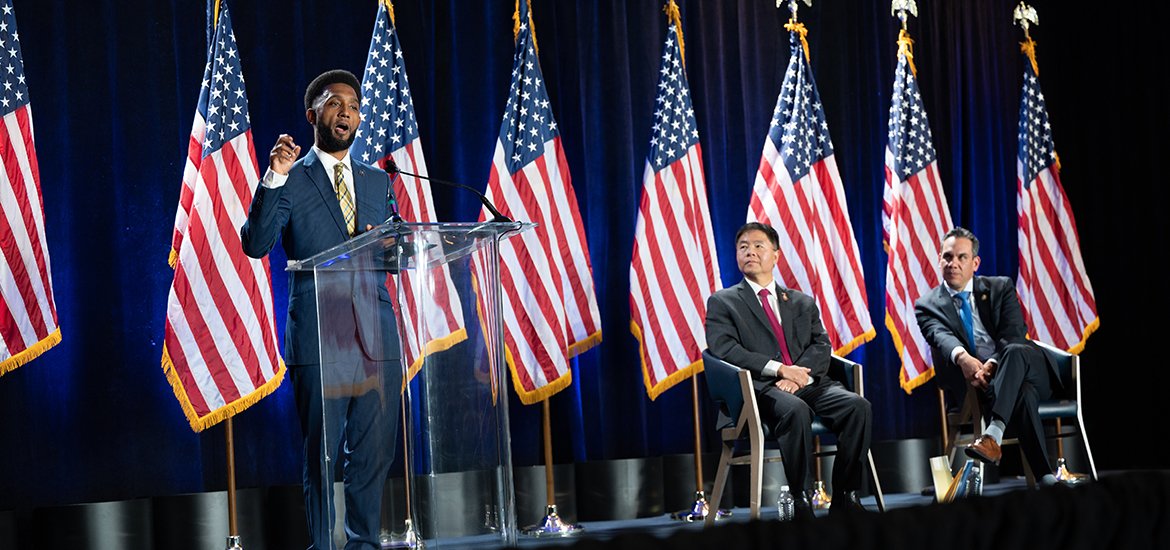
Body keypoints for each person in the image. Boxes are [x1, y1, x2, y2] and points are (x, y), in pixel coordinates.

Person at [241, 69, 402, 549]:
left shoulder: (378, 180)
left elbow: (394, 256)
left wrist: (392, 245)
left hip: (376, 334)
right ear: (314, 115)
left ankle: (364, 544)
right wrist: (274, 177)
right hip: (319, 334)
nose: (346, 112)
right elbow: (256, 243)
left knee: (375, 453)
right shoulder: (291, 178)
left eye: (353, 105)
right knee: (323, 456)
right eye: (335, 104)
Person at [705, 222, 873, 518]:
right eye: (743, 247)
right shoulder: (723, 302)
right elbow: (724, 350)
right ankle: (801, 500)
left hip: (807, 383)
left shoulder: (801, 301)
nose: (750, 252)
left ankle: (846, 497)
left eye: (758, 246)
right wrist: (780, 370)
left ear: (776, 256)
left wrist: (799, 376)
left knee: (858, 406)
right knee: (795, 410)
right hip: (757, 389)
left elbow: (821, 345)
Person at [915, 226, 1063, 485]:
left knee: (1015, 350)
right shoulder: (927, 305)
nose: (954, 263)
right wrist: (964, 359)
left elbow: (1014, 332)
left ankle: (992, 436)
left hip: (1029, 367)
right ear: (939, 259)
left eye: (962, 257)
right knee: (1024, 393)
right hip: (982, 385)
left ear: (975, 262)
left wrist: (994, 363)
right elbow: (940, 336)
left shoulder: (1000, 287)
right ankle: (1046, 478)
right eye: (948, 257)